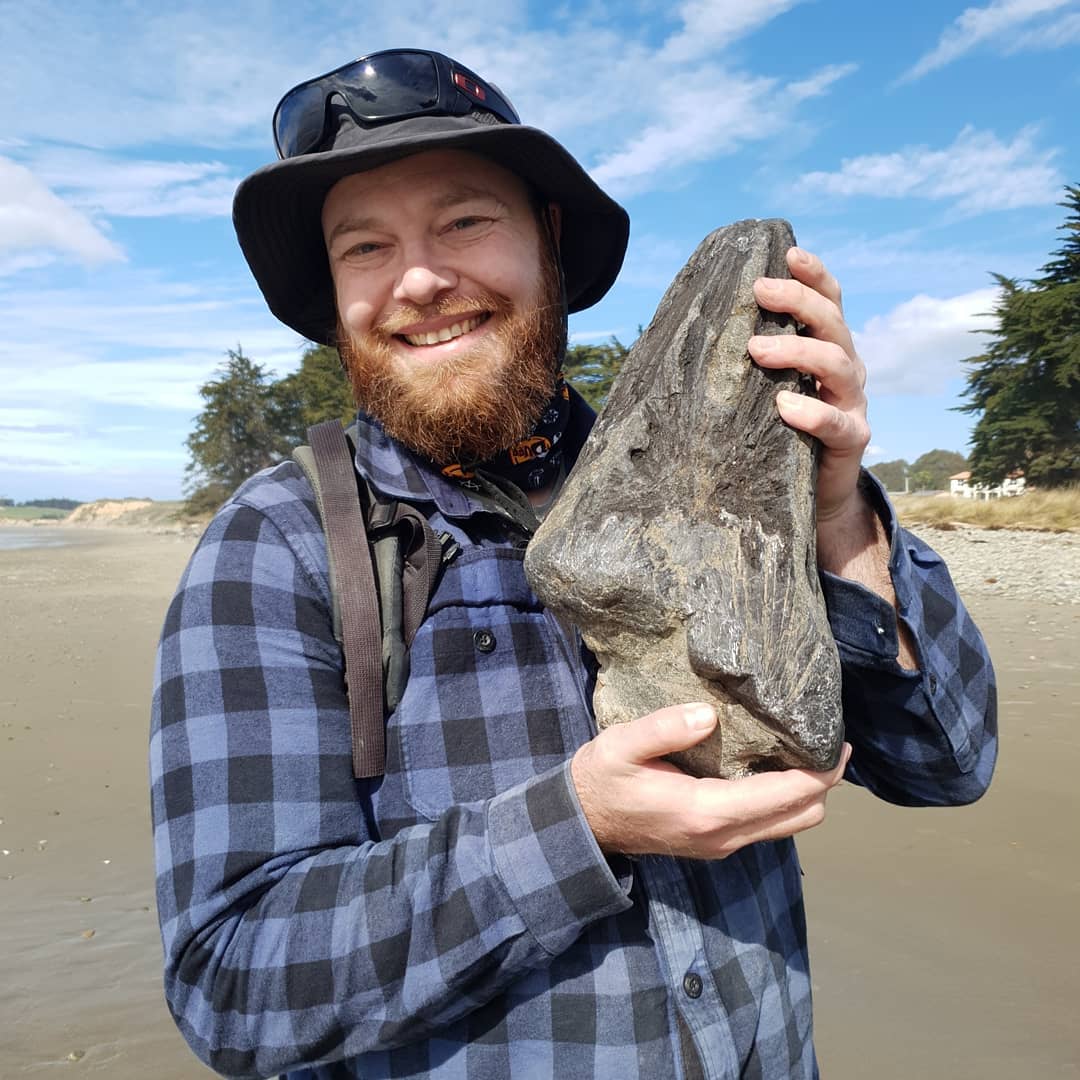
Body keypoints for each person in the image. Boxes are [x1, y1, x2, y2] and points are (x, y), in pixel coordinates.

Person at [150, 49, 997, 1080]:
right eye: (364, 247)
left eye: (465, 222)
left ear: (547, 240)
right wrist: (578, 829)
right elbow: (232, 982)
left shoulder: (716, 485)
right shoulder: (275, 546)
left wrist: (835, 518)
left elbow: (950, 766)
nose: (419, 279)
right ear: (334, 295)